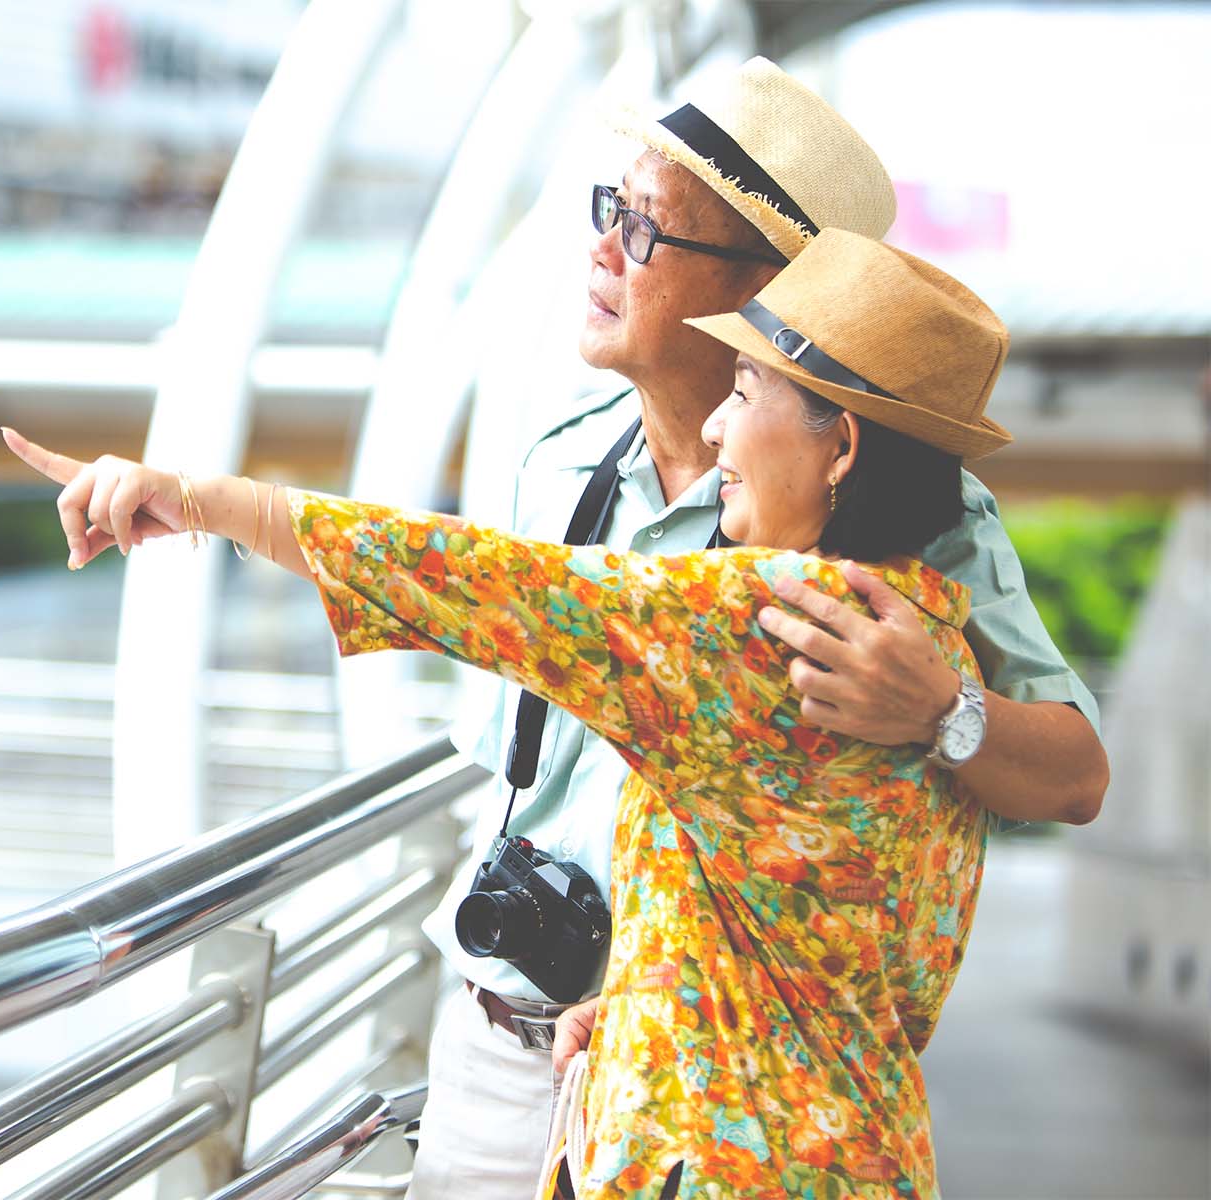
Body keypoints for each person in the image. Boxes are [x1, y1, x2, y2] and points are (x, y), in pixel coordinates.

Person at [0, 226, 1041, 1197]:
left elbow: (472, 583)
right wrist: (640, 1004)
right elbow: (841, 958)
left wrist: (197, 500)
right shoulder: (938, 653)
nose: (720, 423)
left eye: (751, 389)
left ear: (841, 449)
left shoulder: (747, 630)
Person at [402, 56, 1105, 1199]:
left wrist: (946, 711)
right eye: (608, 211)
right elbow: (520, 775)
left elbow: (1076, 777)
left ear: (762, 287)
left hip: (718, 1093)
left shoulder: (920, 526)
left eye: (646, 231)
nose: (600, 251)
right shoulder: (561, 470)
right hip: (500, 1040)